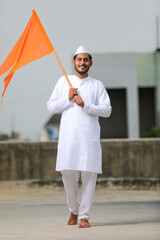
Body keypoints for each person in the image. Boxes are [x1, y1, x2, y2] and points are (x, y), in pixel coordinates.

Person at [47, 46, 112, 228]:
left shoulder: (97, 85)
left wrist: (86, 105)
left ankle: (84, 216)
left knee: (89, 178)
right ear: (74, 62)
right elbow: (50, 107)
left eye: (85, 60)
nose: (82, 63)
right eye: (79, 59)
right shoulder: (63, 81)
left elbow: (107, 110)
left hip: (89, 139)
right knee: (68, 178)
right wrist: (67, 98)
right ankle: (73, 210)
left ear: (90, 63)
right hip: (69, 139)